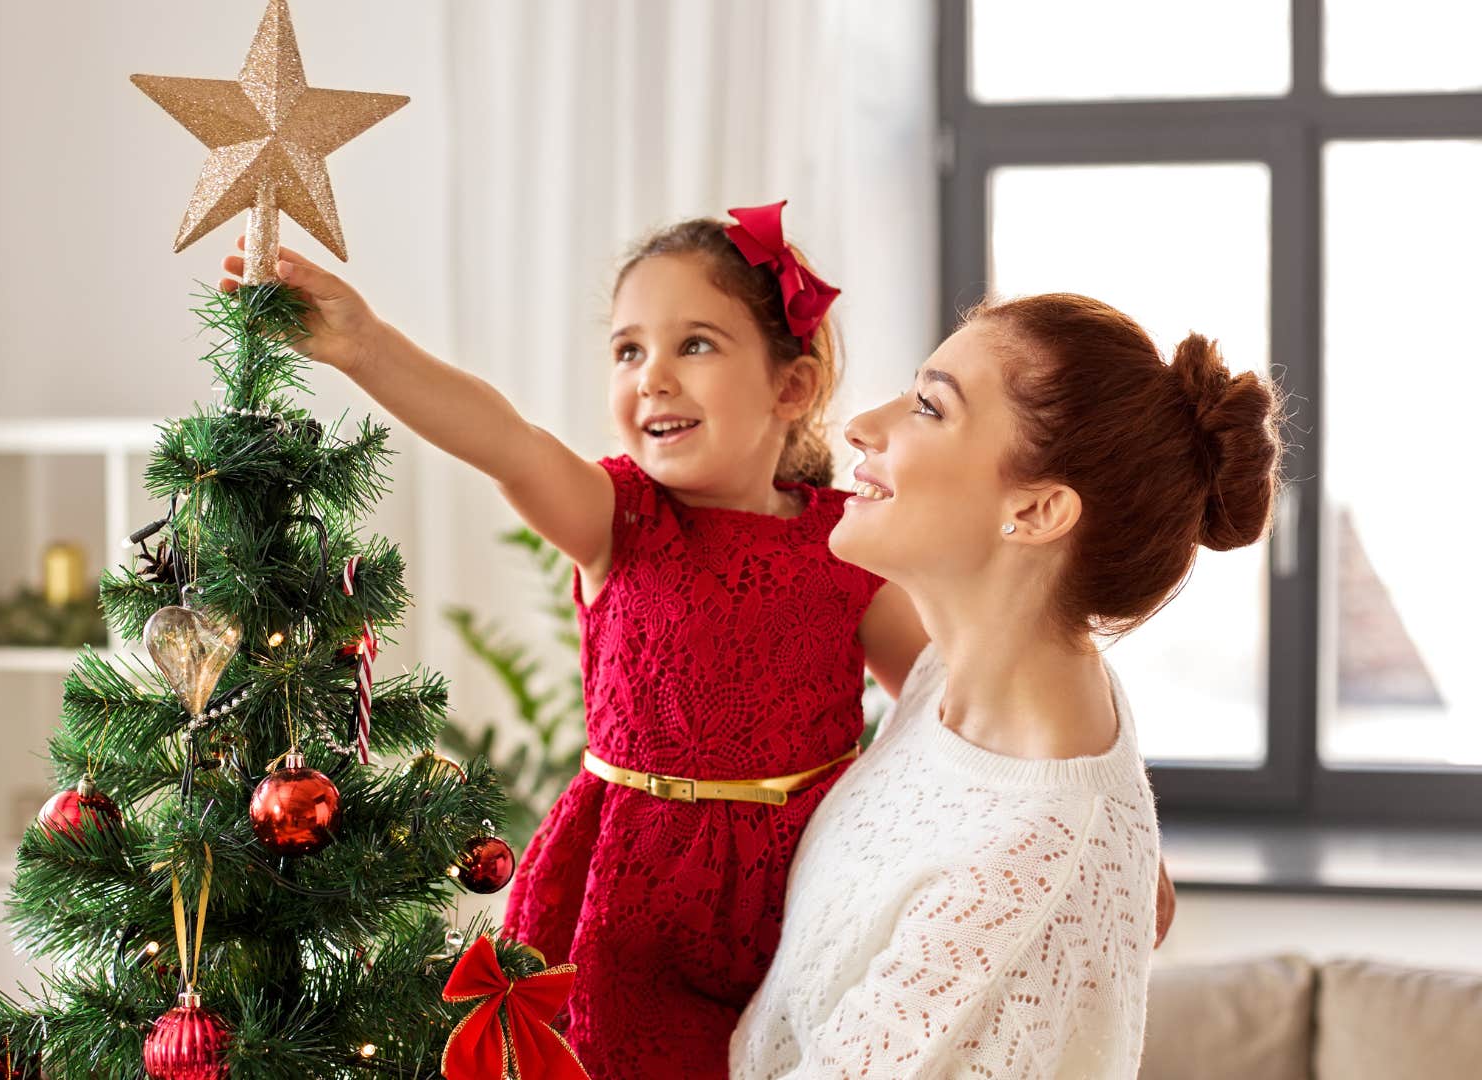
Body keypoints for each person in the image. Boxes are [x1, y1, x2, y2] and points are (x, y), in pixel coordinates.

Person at [218, 202, 929, 1077]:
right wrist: (367, 346)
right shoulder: (615, 517)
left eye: (694, 344)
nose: (653, 378)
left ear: (793, 387)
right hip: (627, 901)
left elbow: (948, 706)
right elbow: (506, 443)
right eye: (629, 350)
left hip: (807, 892)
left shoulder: (849, 545)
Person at [730, 293, 1280, 1079]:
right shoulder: (973, 674)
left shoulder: (1016, 874)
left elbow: (1043, 854)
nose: (862, 426)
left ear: (1039, 508)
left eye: (928, 406)